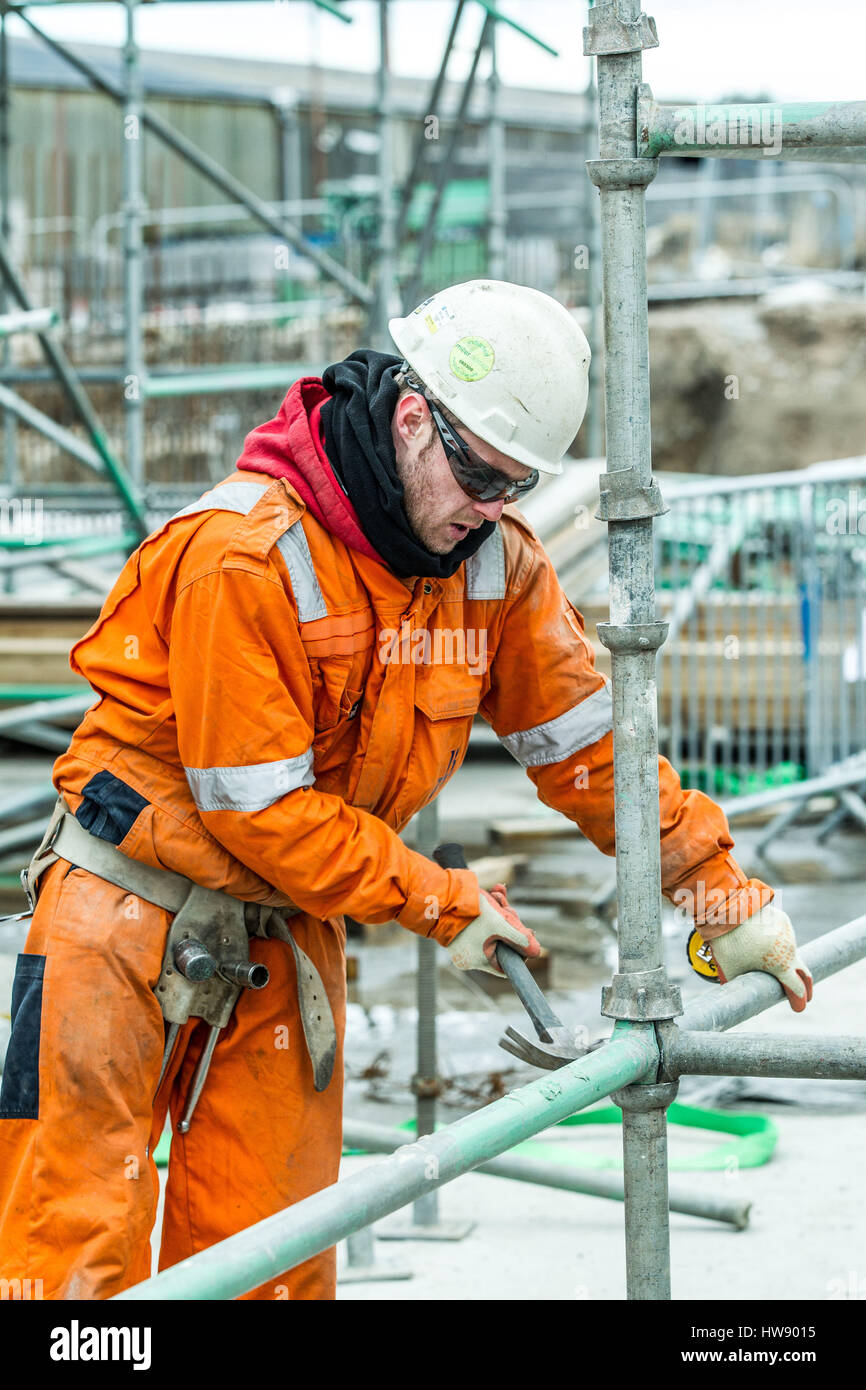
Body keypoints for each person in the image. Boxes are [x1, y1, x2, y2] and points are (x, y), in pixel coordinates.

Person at [0, 279, 811, 1302]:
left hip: (282, 937)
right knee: (67, 1260)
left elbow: (588, 752)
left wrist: (715, 888)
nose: (490, 512)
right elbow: (258, 811)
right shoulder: (244, 556)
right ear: (413, 417)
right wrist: (439, 900)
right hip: (115, 929)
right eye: (478, 477)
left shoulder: (491, 566)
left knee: (273, 1263)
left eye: (515, 488)